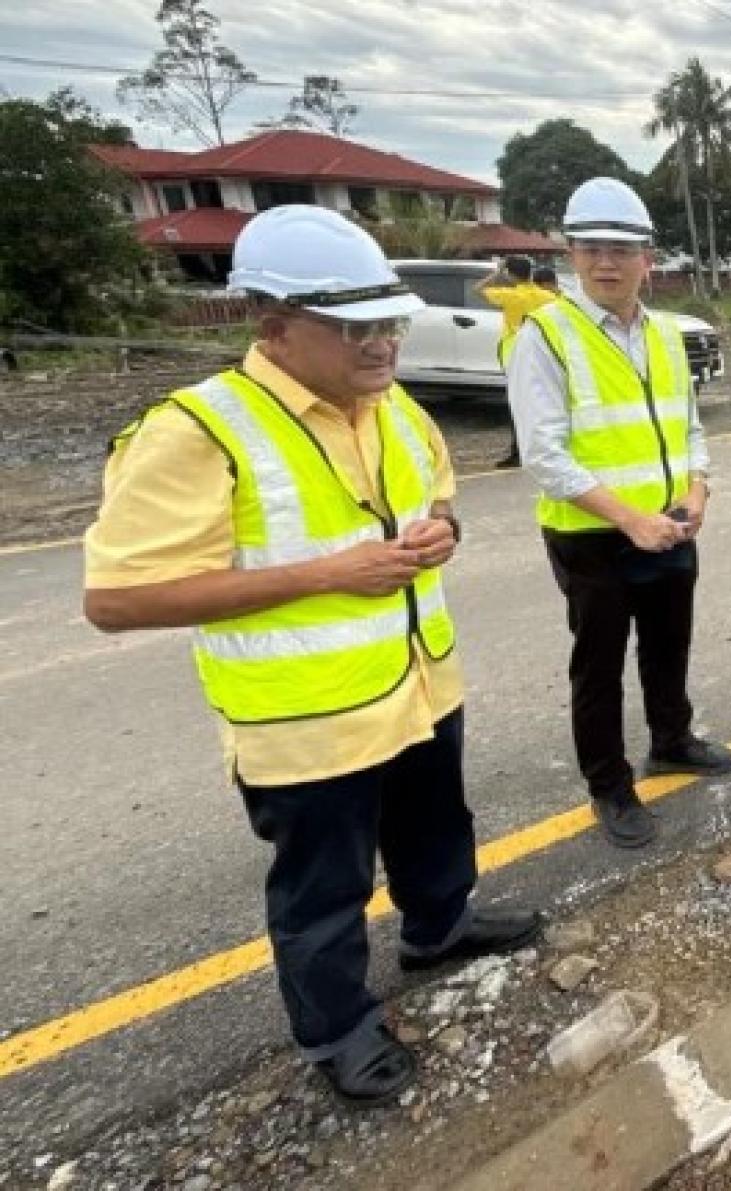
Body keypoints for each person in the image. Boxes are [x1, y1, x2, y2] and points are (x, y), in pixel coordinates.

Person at [81, 206, 540, 1105]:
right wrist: (331, 573)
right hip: (306, 721)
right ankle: (336, 1029)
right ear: (273, 325)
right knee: (324, 889)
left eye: (389, 321)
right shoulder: (201, 429)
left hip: (416, 683)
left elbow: (440, 499)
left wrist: (444, 531)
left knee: (435, 827)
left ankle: (439, 927)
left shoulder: (392, 405)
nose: (380, 344)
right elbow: (116, 598)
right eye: (353, 326)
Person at [507, 178, 731, 850]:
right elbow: (543, 454)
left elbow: (689, 426)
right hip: (591, 535)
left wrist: (698, 491)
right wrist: (628, 518)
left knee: (669, 646)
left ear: (648, 257)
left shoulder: (666, 335)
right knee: (599, 664)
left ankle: (671, 740)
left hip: (670, 522)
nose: (604, 262)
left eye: (620, 249)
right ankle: (608, 783)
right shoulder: (545, 335)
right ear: (571, 255)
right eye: (589, 248)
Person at [481, 255, 559, 468]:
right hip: (542, 354)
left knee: (519, 405)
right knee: (544, 402)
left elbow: (479, 289)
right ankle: (547, 448)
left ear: (510, 274)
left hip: (514, 356)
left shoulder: (509, 295)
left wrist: (498, 273)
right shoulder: (546, 296)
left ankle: (519, 452)